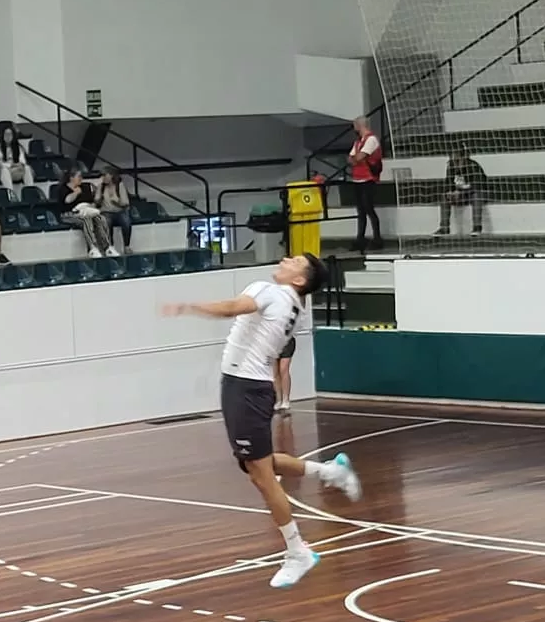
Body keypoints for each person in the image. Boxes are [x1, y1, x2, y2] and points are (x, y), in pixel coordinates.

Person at [161, 253, 360, 590]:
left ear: (299, 280)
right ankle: (330, 472)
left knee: (262, 477)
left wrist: (189, 306)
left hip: (246, 389)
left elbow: (230, 308)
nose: (285, 259)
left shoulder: (270, 291)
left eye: (294, 261)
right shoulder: (295, 305)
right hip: (249, 387)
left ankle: (298, 551)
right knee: (256, 464)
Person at [347, 116, 383, 253]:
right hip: (357, 179)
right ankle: (360, 239)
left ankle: (377, 238)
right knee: (361, 211)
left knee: (369, 209)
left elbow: (358, 157)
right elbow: (351, 159)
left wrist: (356, 159)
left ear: (359, 125)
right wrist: (356, 159)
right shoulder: (358, 142)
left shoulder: (371, 139)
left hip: (368, 179)